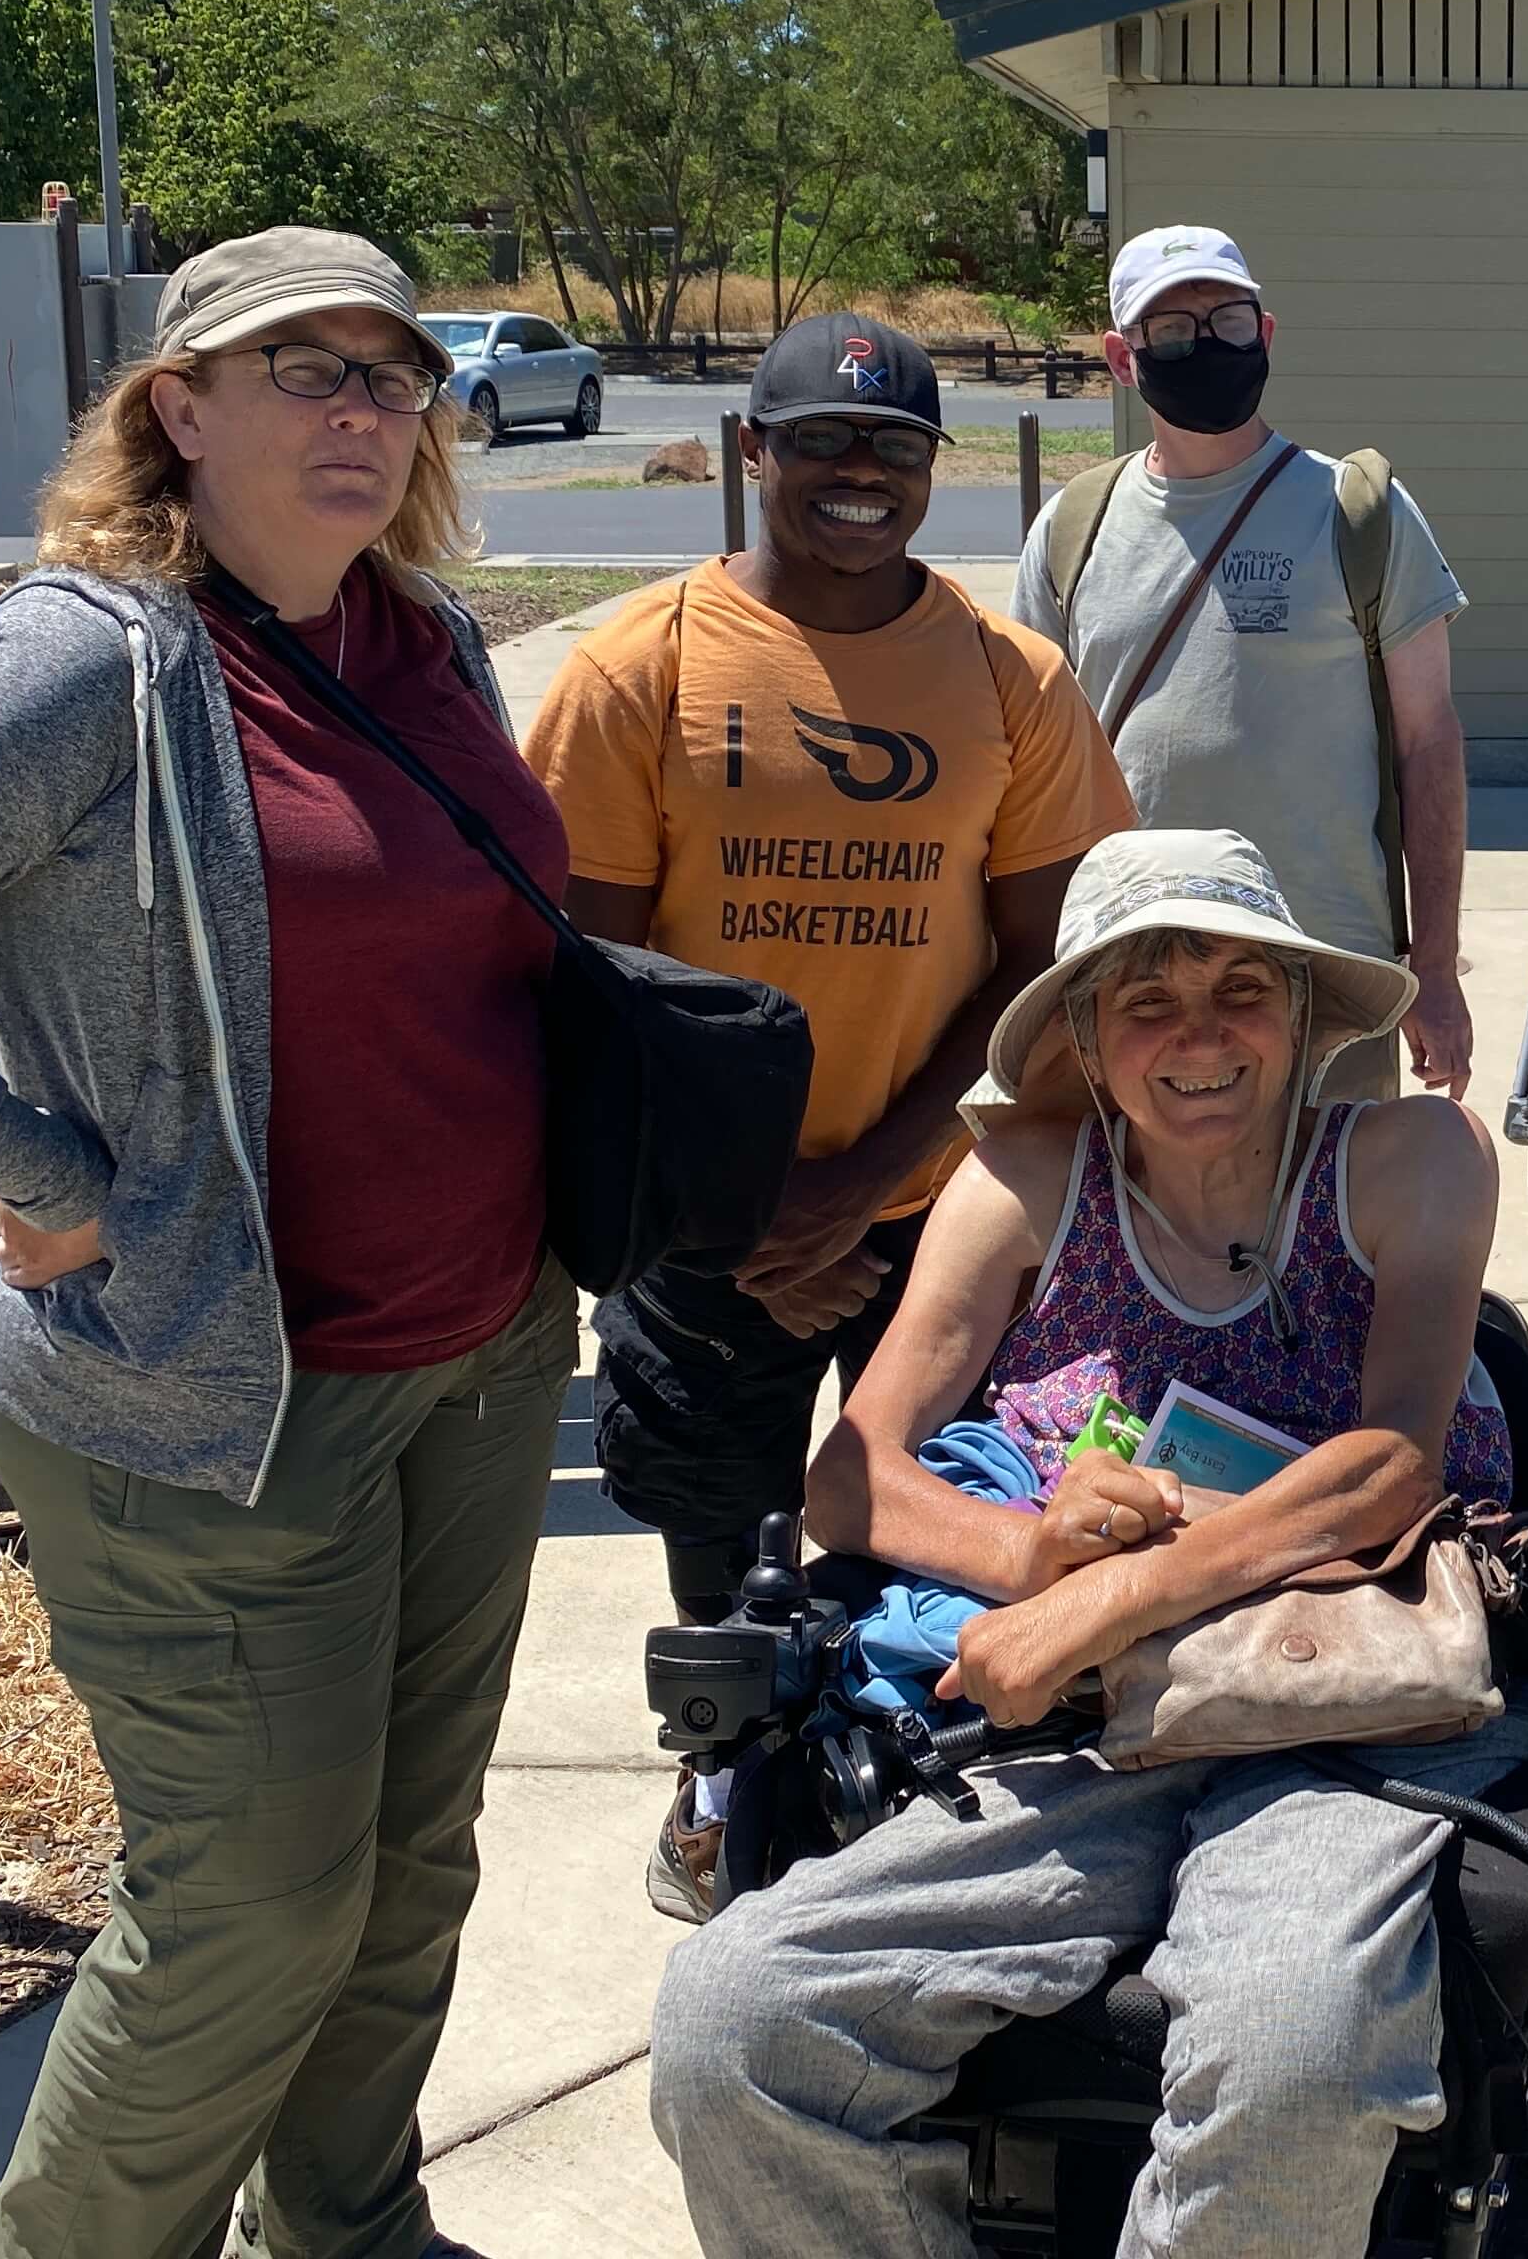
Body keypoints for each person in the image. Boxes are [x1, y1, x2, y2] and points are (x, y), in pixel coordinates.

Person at [0, 229, 576, 2259]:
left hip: (481, 1348)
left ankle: (346, 2224)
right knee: (248, 1899)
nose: (358, 411)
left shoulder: (421, 632)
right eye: (300, 370)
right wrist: (19, 1166)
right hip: (203, 1386)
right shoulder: (93, 657)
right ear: (179, 406)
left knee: (408, 1861)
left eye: (391, 375)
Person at [646, 830, 1528, 2259]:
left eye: (1243, 988)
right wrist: (1029, 1558)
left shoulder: (1411, 1156)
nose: (1200, 1036)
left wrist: (1124, 1590)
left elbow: (1388, 1465)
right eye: (1147, 1002)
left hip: (1346, 1708)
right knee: (735, 2022)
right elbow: (849, 1479)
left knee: (1295, 2043)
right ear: (1087, 1040)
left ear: (1305, 1020)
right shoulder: (1025, 1180)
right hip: (1073, 1723)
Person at [525, 310, 1132, 1904]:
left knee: (937, 1520)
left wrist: (864, 1182)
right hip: (702, 1222)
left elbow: (1039, 972)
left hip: (930, 1214)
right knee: (714, 1526)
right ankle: (723, 1776)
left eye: (895, 448)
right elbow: (586, 980)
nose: (860, 475)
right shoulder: (638, 667)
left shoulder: (1012, 683)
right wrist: (740, 1210)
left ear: (934, 470)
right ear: (755, 450)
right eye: (822, 443)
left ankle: (902, 1775)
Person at [1017, 224, 1477, 1098]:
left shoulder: (1358, 511)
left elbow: (1428, 744)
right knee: (1139, 1228)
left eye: (1227, 320)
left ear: (1263, 335)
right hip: (1131, 975)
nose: (1207, 345)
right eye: (1173, 331)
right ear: (1123, 357)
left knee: (1331, 1224)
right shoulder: (1073, 528)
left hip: (1325, 973)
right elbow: (1030, 766)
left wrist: (1438, 968)